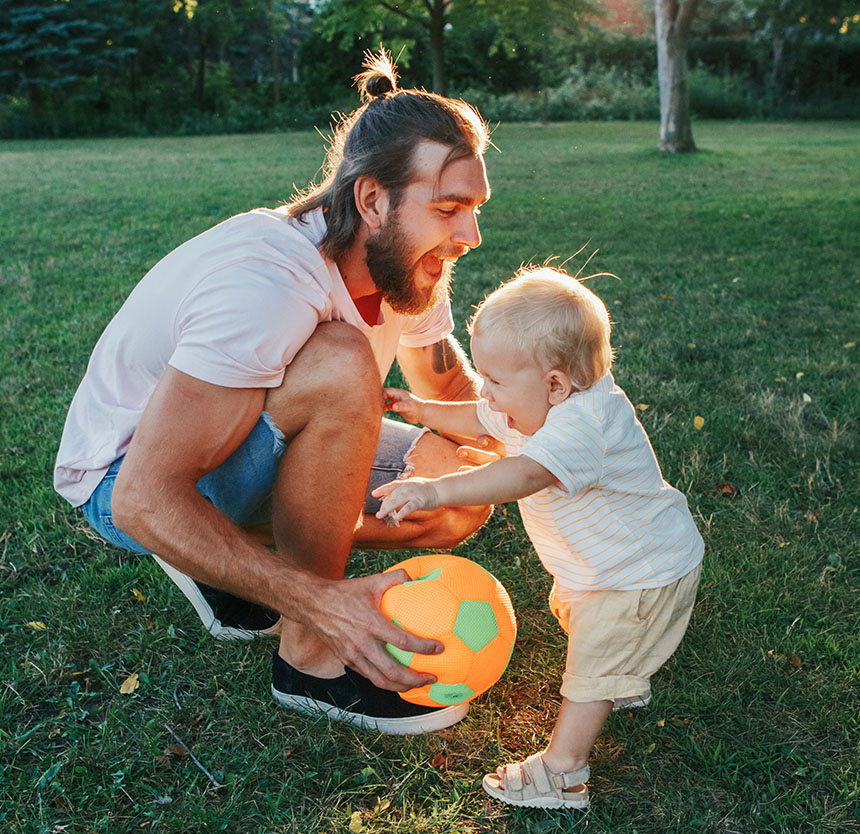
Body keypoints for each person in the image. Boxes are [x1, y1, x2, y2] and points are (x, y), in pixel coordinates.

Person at [53, 50, 496, 735]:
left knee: (463, 486)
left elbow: (452, 394)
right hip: (127, 483)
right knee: (342, 361)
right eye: (447, 209)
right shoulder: (266, 285)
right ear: (372, 199)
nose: (469, 236)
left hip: (229, 457)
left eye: (472, 209)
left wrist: (549, 439)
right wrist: (326, 602)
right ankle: (308, 657)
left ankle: (223, 565)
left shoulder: (407, 266)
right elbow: (145, 496)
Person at [373, 266, 704, 805]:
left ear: (555, 384)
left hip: (638, 574)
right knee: (584, 629)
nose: (487, 391)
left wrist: (436, 491)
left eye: (497, 381)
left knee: (589, 672)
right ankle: (619, 673)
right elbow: (482, 417)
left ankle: (563, 772)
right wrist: (424, 409)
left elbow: (524, 474)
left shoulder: (584, 422)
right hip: (599, 568)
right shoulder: (534, 403)